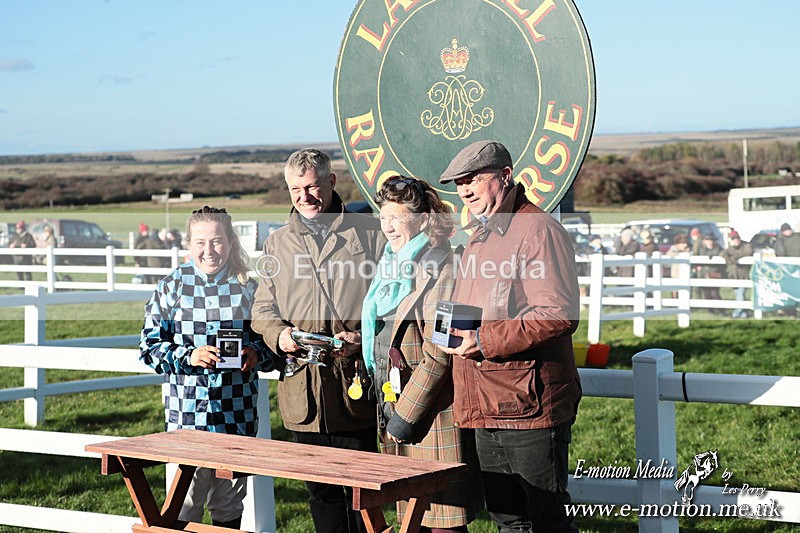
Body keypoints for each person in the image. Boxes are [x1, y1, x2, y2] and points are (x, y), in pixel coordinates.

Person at [438, 140, 581, 532]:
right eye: (459, 183)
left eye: (473, 179)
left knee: (547, 522)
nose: (464, 190)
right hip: (488, 403)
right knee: (509, 521)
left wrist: (484, 341)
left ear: (505, 175)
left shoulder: (537, 230)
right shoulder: (480, 235)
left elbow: (557, 314)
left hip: (529, 407)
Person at [251, 148, 386, 533]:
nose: (304, 197)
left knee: (362, 494)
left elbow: (392, 302)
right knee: (321, 495)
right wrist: (280, 335)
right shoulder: (277, 244)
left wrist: (362, 337)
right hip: (303, 391)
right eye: (296, 189)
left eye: (312, 186)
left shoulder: (371, 234)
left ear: (331, 181)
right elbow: (262, 308)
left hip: (353, 387)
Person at [139, 206, 274, 529]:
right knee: (185, 506)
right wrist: (189, 356)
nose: (209, 250)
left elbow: (272, 344)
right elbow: (149, 348)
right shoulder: (171, 287)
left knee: (228, 505)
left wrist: (255, 353)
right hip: (188, 418)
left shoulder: (249, 288)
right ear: (188, 244)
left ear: (230, 242)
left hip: (236, 416)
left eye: (217, 241)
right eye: (200, 242)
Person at [361, 176, 481, 532]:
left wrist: (404, 417)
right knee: (412, 523)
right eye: (383, 217)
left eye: (397, 218)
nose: (388, 227)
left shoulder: (446, 266)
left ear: (424, 219)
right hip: (395, 405)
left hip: (432, 416)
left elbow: (440, 352)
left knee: (441, 524)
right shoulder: (389, 264)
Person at [721, 230, 753, 318]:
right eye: (733, 239)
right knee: (739, 295)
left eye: (737, 238)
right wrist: (729, 259)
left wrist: (734, 257)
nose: (736, 240)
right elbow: (722, 253)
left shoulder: (746, 246)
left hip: (744, 276)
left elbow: (748, 252)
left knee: (740, 295)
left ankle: (736, 313)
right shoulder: (730, 248)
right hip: (734, 276)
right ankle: (744, 313)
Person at [696, 233, 724, 310]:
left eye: (711, 240)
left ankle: (720, 310)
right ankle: (711, 310)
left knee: (714, 293)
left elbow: (722, 255)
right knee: (706, 294)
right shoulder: (701, 249)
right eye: (707, 240)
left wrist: (712, 256)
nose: (709, 242)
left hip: (714, 273)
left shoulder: (718, 248)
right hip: (703, 273)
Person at [666, 234, 691, 298]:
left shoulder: (688, 250)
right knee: (675, 290)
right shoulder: (673, 249)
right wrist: (681, 253)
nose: (685, 245)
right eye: (683, 243)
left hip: (685, 274)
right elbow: (669, 255)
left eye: (685, 243)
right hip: (675, 274)